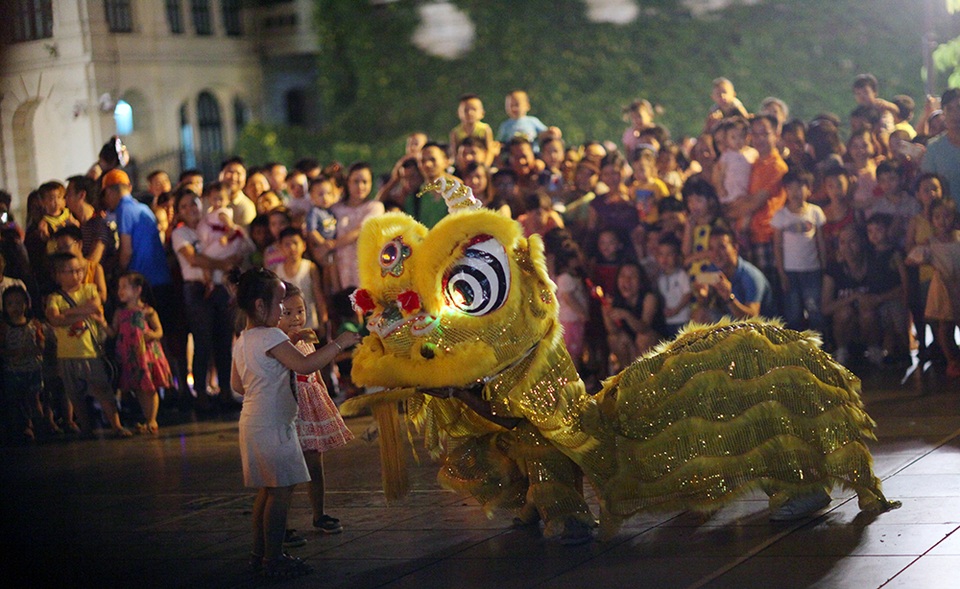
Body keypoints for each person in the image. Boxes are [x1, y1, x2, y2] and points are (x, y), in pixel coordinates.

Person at [229, 268, 359, 579]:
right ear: (261, 306)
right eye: (278, 305)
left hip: (251, 422)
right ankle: (274, 560)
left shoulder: (244, 339)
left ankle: (258, 554)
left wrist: (267, 379)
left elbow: (237, 385)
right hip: (275, 425)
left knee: (267, 492)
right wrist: (339, 344)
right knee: (281, 494)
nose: (282, 311)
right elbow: (305, 364)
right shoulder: (271, 335)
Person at [276, 282, 353, 533]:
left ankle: (319, 514)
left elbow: (314, 368)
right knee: (287, 471)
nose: (296, 317)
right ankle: (280, 525)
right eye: (287, 313)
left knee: (315, 463)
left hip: (311, 402)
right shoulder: (278, 342)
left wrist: (324, 394)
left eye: (300, 311)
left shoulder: (306, 337)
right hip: (291, 407)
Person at [45, 252, 131, 438]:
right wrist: (80, 314)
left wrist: (67, 314)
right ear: (58, 275)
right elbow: (54, 319)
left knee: (102, 389)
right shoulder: (54, 298)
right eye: (70, 271)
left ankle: (116, 425)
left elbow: (93, 306)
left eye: (79, 271)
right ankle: (86, 428)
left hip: (89, 352)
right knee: (74, 395)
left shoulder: (90, 289)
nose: (76, 275)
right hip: (66, 354)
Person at [170, 189, 240, 412]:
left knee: (223, 341)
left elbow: (232, 247)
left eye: (194, 203)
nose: (191, 209)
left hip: (220, 288)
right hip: (196, 290)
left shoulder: (209, 227)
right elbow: (194, 259)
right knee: (202, 342)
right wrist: (224, 264)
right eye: (185, 206)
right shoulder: (180, 234)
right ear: (178, 212)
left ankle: (225, 392)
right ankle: (200, 394)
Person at [103, 272, 171, 435]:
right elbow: (113, 332)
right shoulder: (120, 313)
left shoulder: (147, 311)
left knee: (149, 387)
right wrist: (101, 322)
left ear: (138, 290)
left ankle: (152, 419)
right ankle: (147, 419)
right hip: (130, 356)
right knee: (140, 388)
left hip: (145, 355)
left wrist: (152, 335)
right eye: (119, 287)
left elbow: (159, 331)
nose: (120, 291)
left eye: (124, 287)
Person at [771, 169, 827, 332]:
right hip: (790, 272)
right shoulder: (780, 215)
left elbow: (820, 242)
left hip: (812, 270)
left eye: (799, 187)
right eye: (790, 188)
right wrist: (782, 273)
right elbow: (777, 246)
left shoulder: (815, 212)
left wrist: (823, 267)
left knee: (815, 309)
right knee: (793, 313)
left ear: (809, 189)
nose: (795, 192)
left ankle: (820, 347)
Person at [692, 225, 775, 323]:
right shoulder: (713, 269)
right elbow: (701, 308)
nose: (716, 254)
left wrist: (729, 297)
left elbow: (753, 319)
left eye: (722, 247)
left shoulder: (751, 276)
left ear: (735, 248)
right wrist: (702, 297)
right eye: (711, 248)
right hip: (731, 324)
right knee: (700, 313)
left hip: (759, 330)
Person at [862, 213, 910, 366]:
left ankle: (905, 351)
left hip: (894, 295)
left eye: (878, 230)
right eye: (870, 231)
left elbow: (904, 277)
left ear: (887, 230)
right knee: (886, 325)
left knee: (900, 325)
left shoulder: (894, 253)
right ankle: (890, 352)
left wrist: (905, 294)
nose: (874, 235)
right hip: (878, 296)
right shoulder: (869, 253)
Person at [0, 285, 47, 442]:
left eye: (19, 303)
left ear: (27, 304)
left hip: (32, 368)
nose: (16, 307)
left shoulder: (33, 324)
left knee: (34, 399)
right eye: (10, 304)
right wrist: (14, 353)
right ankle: (23, 428)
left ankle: (40, 426)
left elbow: (42, 345)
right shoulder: (4, 327)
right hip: (13, 370)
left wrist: (37, 348)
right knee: (16, 401)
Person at [332, 162, 385, 289]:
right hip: (339, 272)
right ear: (348, 182)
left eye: (365, 182)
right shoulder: (335, 209)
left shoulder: (375, 208)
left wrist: (332, 245)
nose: (360, 186)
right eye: (355, 181)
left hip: (365, 271)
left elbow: (361, 230)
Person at [602, 262, 663, 370]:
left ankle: (644, 375)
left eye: (632, 277)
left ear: (640, 281)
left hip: (651, 343)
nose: (627, 281)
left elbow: (644, 328)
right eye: (623, 276)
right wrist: (606, 311)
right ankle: (627, 375)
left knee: (643, 338)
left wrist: (626, 315)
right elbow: (612, 331)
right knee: (614, 339)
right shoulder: (614, 299)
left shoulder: (649, 298)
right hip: (629, 344)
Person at [271, 228, 326, 333]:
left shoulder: (310, 267)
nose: (292, 248)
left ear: (304, 245)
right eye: (287, 244)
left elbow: (318, 295)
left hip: (309, 325)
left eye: (295, 243)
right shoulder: (276, 271)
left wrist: (323, 320)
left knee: (309, 349)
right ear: (280, 248)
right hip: (285, 328)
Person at [921, 87, 960, 210]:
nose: (956, 114)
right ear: (943, 112)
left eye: (959, 107)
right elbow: (928, 185)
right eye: (950, 109)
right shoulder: (934, 148)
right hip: (946, 219)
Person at [53, 225, 107, 304]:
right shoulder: (60, 270)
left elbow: (103, 296)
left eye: (66, 246)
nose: (63, 251)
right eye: (60, 248)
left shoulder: (95, 268)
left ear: (79, 244)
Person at [655, 234, 692, 339]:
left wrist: (676, 309)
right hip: (666, 321)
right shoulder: (659, 278)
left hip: (682, 319)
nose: (665, 259)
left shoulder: (681, 275)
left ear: (677, 256)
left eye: (669, 254)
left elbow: (687, 294)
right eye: (661, 254)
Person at [449, 93, 495, 166]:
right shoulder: (455, 132)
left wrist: (485, 166)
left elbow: (490, 150)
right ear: (458, 113)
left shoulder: (485, 129)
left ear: (482, 113)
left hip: (481, 163)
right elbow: (454, 152)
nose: (470, 113)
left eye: (474, 109)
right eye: (466, 110)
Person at [219, 157, 257, 227]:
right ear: (220, 175)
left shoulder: (247, 207)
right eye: (230, 172)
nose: (234, 177)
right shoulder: (206, 199)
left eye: (238, 173)